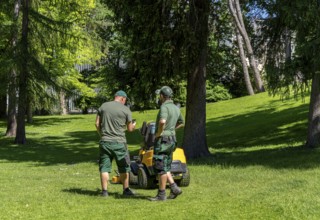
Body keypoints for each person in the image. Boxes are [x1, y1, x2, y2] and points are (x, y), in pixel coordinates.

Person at [95, 90, 136, 197]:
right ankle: (126, 190)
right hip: (119, 143)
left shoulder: (103, 106)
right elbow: (130, 129)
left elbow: (97, 123)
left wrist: (102, 135)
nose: (125, 102)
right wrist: (134, 125)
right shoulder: (126, 109)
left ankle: (104, 192)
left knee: (104, 167)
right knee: (124, 167)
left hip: (105, 142)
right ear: (122, 98)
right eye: (125, 100)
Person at [149, 86, 184, 201]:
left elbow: (162, 121)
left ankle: (161, 194)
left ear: (162, 96)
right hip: (172, 139)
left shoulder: (164, 107)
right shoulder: (176, 108)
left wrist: (159, 133)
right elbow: (182, 122)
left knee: (160, 167)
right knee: (166, 165)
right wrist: (172, 129)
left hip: (163, 140)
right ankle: (174, 188)